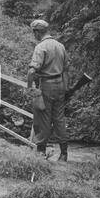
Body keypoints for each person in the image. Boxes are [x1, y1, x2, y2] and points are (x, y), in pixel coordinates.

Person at [27, 20, 70, 162]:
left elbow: (32, 71)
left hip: (46, 86)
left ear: (37, 32)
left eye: (34, 33)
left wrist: (29, 87)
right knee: (59, 119)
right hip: (60, 85)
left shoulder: (41, 47)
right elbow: (66, 70)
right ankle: (63, 154)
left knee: (43, 119)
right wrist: (65, 87)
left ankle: (40, 153)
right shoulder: (60, 46)